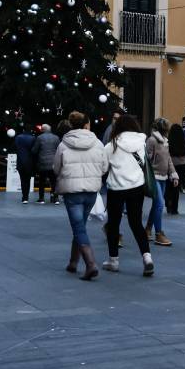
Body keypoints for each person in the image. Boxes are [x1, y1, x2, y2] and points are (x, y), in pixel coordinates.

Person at [53, 111, 108, 280]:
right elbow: (105, 167)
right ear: (86, 124)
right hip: (91, 190)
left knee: (78, 227)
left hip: (72, 191)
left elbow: (56, 168)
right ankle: (73, 262)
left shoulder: (63, 144)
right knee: (80, 226)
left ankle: (90, 264)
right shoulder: (97, 143)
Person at [102, 115, 155, 277]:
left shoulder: (111, 146)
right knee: (136, 223)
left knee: (114, 224)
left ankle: (113, 260)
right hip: (137, 187)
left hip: (116, 188)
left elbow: (103, 168)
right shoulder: (141, 143)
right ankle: (147, 257)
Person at [145, 118, 175, 246]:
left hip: (163, 177)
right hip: (154, 177)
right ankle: (159, 234)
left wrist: (173, 174)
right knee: (160, 204)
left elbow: (168, 159)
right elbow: (147, 158)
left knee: (156, 205)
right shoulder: (152, 140)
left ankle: (147, 229)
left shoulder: (165, 141)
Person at [32, 123, 61, 203]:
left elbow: (34, 150)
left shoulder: (39, 138)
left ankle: (41, 198)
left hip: (42, 163)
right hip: (53, 163)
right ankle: (55, 198)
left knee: (42, 181)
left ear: (43, 130)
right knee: (54, 181)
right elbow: (59, 149)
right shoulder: (56, 137)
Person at [166, 122, 185, 214]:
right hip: (181, 166)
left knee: (168, 186)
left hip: (170, 165)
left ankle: (168, 204)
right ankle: (175, 209)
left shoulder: (168, 142)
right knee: (176, 188)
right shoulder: (184, 142)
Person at [15, 126, 37, 204]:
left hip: (20, 161)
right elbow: (34, 151)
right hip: (29, 162)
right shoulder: (33, 138)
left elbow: (15, 148)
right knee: (28, 180)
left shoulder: (18, 137)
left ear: (24, 130)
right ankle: (26, 197)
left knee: (22, 180)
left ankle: (24, 197)